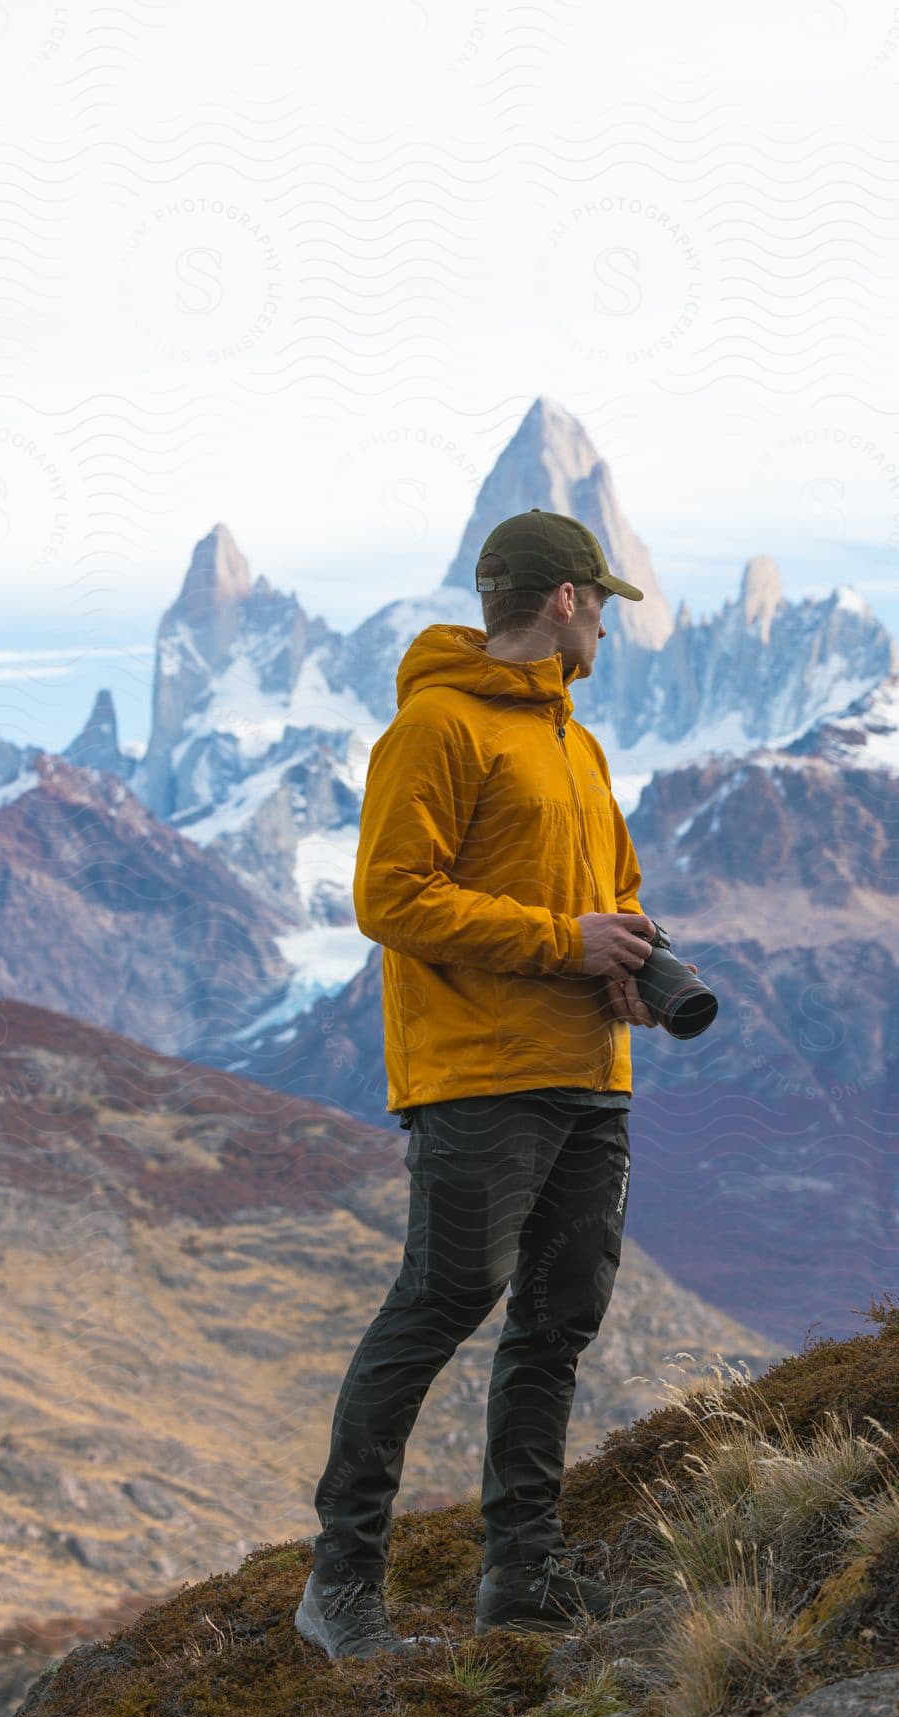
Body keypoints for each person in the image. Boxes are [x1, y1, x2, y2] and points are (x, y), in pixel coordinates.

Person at [294, 508, 698, 1659]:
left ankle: (521, 1581)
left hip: (590, 1074)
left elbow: (605, 893)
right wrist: (561, 944)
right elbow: (391, 899)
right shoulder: (434, 728)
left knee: (557, 1322)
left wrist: (623, 959)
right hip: (478, 1079)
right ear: (565, 600)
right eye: (603, 608)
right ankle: (342, 1589)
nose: (610, 632)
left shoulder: (578, 745)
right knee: (437, 1307)